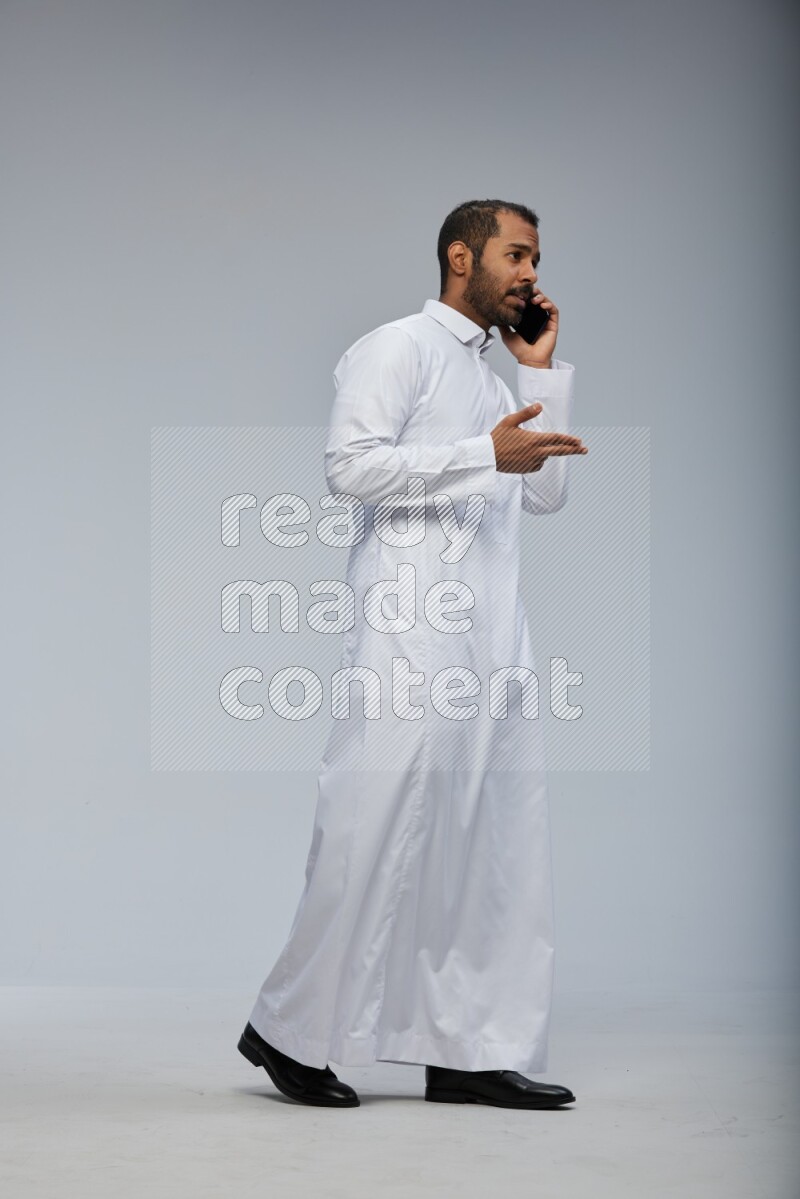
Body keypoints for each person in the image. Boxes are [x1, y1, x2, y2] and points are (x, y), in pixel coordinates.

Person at [238, 199, 587, 1109]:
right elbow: (348, 467)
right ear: (459, 255)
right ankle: (288, 1028)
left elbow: (544, 497)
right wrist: (481, 453)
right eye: (516, 254)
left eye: (536, 257)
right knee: (372, 818)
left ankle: (466, 1047)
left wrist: (544, 376)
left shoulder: (497, 374)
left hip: (492, 631)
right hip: (409, 623)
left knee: (490, 837)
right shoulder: (396, 347)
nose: (529, 272)